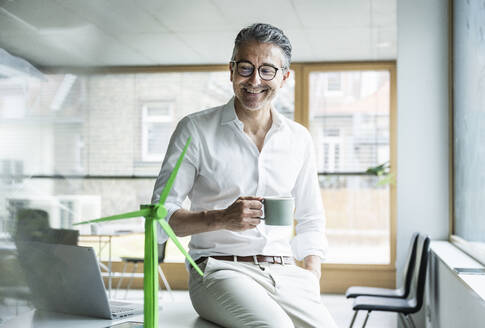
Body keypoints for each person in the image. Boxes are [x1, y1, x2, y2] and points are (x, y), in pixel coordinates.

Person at [152, 23, 338, 328]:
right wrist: (220, 219)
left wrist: (311, 273)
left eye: (267, 70)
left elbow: (311, 217)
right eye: (246, 68)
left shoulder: (298, 138)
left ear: (284, 77)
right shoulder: (195, 130)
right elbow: (160, 217)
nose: (254, 80)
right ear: (231, 70)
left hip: (286, 273)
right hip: (218, 270)